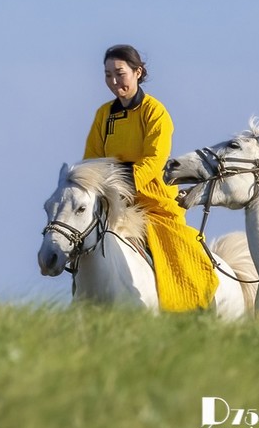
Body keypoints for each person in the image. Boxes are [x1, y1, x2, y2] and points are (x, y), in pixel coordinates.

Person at [83, 44, 218, 311]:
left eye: (119, 73)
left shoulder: (154, 112)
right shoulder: (103, 115)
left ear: (138, 72)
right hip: (112, 202)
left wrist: (122, 181)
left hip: (152, 202)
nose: (113, 81)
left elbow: (153, 161)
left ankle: (193, 304)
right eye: (107, 74)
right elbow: (92, 160)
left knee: (179, 247)